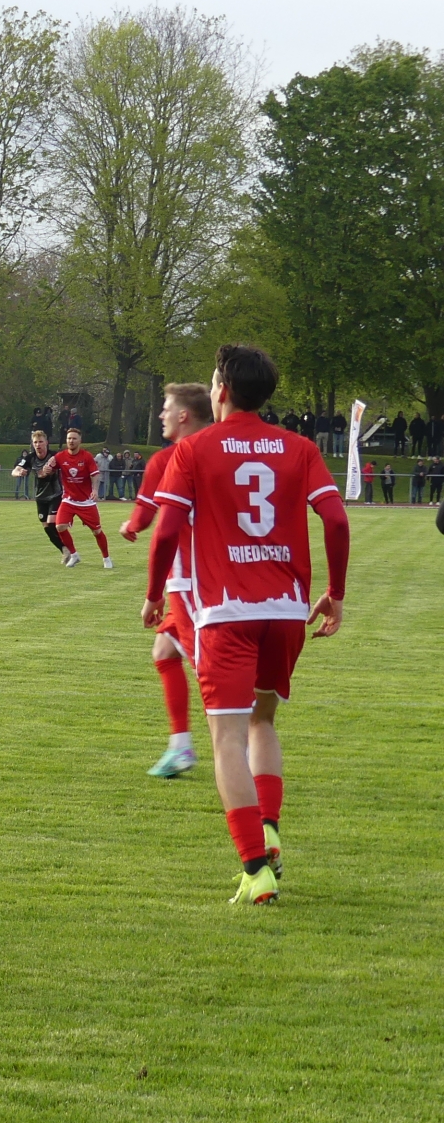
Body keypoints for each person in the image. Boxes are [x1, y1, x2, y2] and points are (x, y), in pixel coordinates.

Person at [143, 345, 350, 904]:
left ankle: (255, 869)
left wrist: (152, 596)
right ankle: (270, 830)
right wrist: (335, 593)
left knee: (225, 739)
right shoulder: (300, 447)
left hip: (225, 611)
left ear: (223, 391)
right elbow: (334, 516)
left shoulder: (195, 450)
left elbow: (164, 533)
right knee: (263, 723)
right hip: (286, 610)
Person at [120, 382, 211, 779]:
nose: (160, 415)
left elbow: (147, 515)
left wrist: (130, 526)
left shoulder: (170, 459)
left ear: (183, 415)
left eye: (166, 407)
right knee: (164, 652)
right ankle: (180, 746)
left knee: (211, 670)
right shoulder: (227, 450)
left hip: (192, 582)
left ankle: (242, 747)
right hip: (238, 574)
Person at [42, 428, 111, 568]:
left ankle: (106, 558)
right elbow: (47, 468)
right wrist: (46, 469)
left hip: (86, 502)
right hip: (69, 499)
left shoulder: (86, 456)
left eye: (74, 438)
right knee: (60, 526)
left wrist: (95, 490)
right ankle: (74, 555)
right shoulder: (60, 456)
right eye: (69, 439)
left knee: (97, 531)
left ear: (80, 440)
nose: (71, 441)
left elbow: (95, 474)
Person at [11, 430, 65, 553]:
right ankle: (65, 549)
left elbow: (67, 465)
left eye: (40, 442)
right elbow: (14, 470)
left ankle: (68, 545)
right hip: (40, 497)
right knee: (47, 528)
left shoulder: (55, 456)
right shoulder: (30, 458)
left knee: (52, 523)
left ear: (46, 442)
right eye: (35, 442)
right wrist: (19, 472)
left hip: (56, 494)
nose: (38, 445)